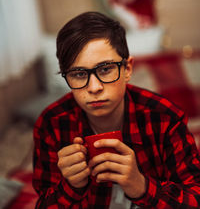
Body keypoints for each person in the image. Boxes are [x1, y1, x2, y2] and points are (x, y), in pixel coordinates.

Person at [32, 11, 200, 208]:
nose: (94, 87)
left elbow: (195, 198)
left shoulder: (165, 117)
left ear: (127, 69)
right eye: (78, 74)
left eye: (105, 69)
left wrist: (142, 186)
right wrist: (70, 187)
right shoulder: (52, 124)